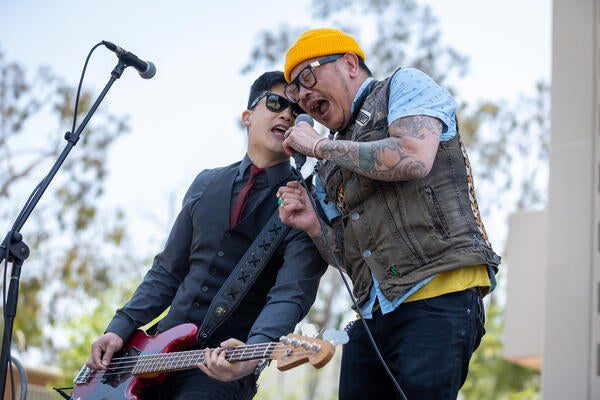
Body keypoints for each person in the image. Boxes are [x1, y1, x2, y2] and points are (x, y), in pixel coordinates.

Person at [276, 28, 501, 400]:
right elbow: (352, 258)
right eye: (295, 92)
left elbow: (413, 156)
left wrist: (318, 146)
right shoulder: (330, 157)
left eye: (307, 77)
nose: (302, 95)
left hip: (438, 291)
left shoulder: (403, 85)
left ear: (350, 63)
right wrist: (314, 226)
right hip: (374, 312)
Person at [84, 71, 327, 400]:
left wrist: (252, 355)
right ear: (247, 116)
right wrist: (119, 328)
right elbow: (167, 271)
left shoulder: (305, 206)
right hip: (148, 356)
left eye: (298, 112)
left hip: (221, 370)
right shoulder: (205, 183)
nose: (287, 114)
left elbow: (290, 294)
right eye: (276, 103)